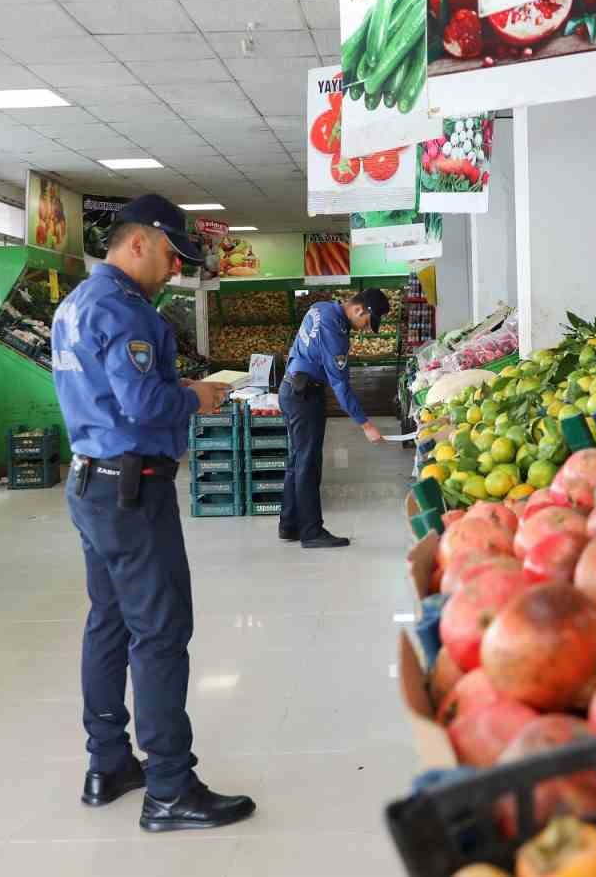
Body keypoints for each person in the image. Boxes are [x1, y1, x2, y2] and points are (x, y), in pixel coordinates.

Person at [50, 193, 256, 833]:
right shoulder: (124, 308)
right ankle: (169, 786)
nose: (175, 270)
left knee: (109, 622)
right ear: (137, 243)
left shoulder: (76, 304)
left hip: (91, 484)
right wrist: (197, 396)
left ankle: (107, 762)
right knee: (162, 632)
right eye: (171, 256)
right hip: (131, 491)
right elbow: (143, 405)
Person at [278, 288, 390, 548]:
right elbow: (341, 386)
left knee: (297, 461)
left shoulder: (321, 308)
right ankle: (311, 532)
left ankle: (289, 524)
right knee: (308, 464)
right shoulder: (336, 336)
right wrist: (365, 424)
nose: (364, 328)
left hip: (290, 389)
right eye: (366, 322)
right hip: (305, 397)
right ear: (359, 310)